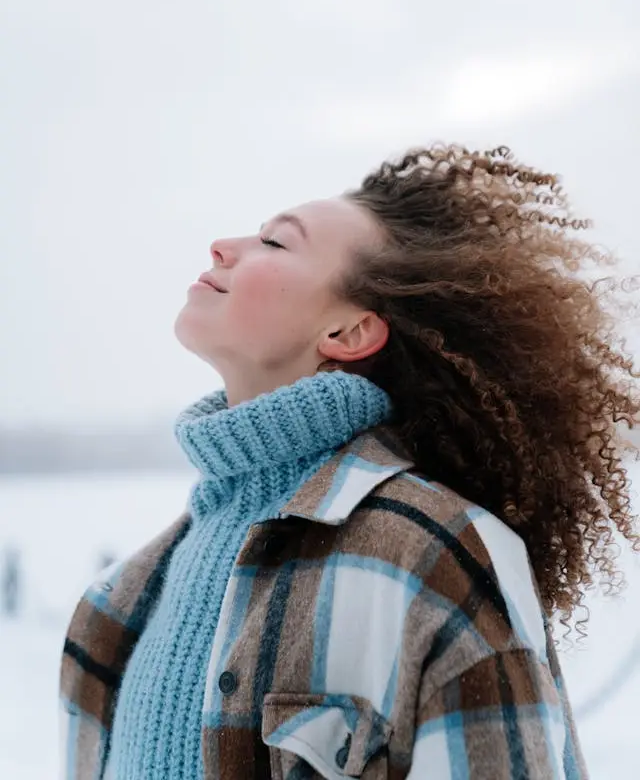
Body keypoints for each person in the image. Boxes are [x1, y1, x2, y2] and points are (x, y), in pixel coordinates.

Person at [60, 143, 640, 779]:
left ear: (348, 332)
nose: (222, 247)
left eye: (275, 242)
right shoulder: (117, 603)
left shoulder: (432, 556)